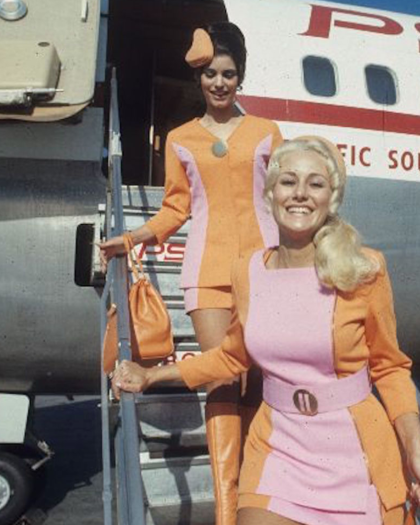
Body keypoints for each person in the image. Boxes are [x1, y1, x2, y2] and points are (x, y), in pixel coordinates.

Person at [112, 136, 420, 525]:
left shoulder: (363, 268)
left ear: (331, 198)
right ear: (270, 194)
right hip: (278, 450)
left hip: (355, 451)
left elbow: (389, 368)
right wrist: (152, 375)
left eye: (315, 184)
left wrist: (415, 451)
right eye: (289, 182)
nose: (300, 194)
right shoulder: (248, 270)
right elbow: (231, 357)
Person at [99, 22, 283, 525]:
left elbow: (286, 201)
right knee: (223, 376)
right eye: (211, 75)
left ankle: (256, 497)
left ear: (240, 78)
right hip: (206, 271)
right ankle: (228, 511)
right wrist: (132, 238)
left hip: (266, 270)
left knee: (262, 383)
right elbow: (175, 209)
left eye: (228, 74)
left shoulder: (267, 133)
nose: (219, 84)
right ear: (199, 79)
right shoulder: (180, 139)